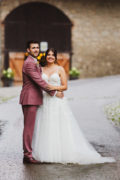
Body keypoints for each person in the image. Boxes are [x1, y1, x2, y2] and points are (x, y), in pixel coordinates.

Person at [32, 48, 115, 165]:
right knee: (46, 124)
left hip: (57, 101)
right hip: (45, 100)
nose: (50, 57)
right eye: (48, 55)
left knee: (59, 125)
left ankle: (61, 152)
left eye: (52, 55)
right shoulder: (41, 69)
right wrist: (50, 90)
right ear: (45, 56)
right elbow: (39, 84)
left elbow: (65, 86)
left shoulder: (60, 69)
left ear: (55, 57)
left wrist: (54, 89)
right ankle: (46, 152)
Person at [19, 41, 63, 164]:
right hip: (30, 99)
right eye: (33, 48)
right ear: (28, 50)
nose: (36, 49)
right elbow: (40, 81)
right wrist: (54, 92)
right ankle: (27, 155)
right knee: (29, 128)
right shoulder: (29, 63)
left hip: (34, 98)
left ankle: (29, 153)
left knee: (32, 127)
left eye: (37, 47)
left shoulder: (34, 62)